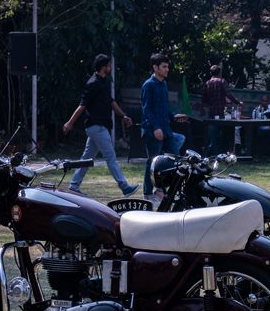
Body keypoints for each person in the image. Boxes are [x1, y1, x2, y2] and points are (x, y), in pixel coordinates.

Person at [62, 54, 139, 196]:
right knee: (111, 157)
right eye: (109, 65)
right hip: (97, 127)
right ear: (104, 67)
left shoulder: (103, 82)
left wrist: (123, 116)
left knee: (86, 159)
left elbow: (111, 102)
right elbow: (82, 106)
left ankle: (73, 185)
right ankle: (124, 187)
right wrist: (70, 122)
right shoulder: (92, 84)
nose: (110, 67)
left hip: (99, 127)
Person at [141, 53, 187, 204]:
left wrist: (174, 116)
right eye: (164, 67)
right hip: (153, 131)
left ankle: (164, 191)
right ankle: (148, 194)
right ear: (155, 68)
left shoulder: (163, 84)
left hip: (166, 130)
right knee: (152, 162)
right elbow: (147, 110)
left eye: (168, 66)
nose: (167, 69)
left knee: (176, 160)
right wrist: (155, 128)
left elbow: (164, 108)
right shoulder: (149, 85)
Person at [199, 64, 242, 155]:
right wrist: (237, 102)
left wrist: (210, 105)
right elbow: (228, 94)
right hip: (222, 112)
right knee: (226, 132)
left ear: (211, 73)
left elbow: (203, 100)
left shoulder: (207, 83)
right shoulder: (222, 81)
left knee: (213, 134)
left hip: (212, 113)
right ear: (219, 73)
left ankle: (213, 154)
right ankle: (227, 153)